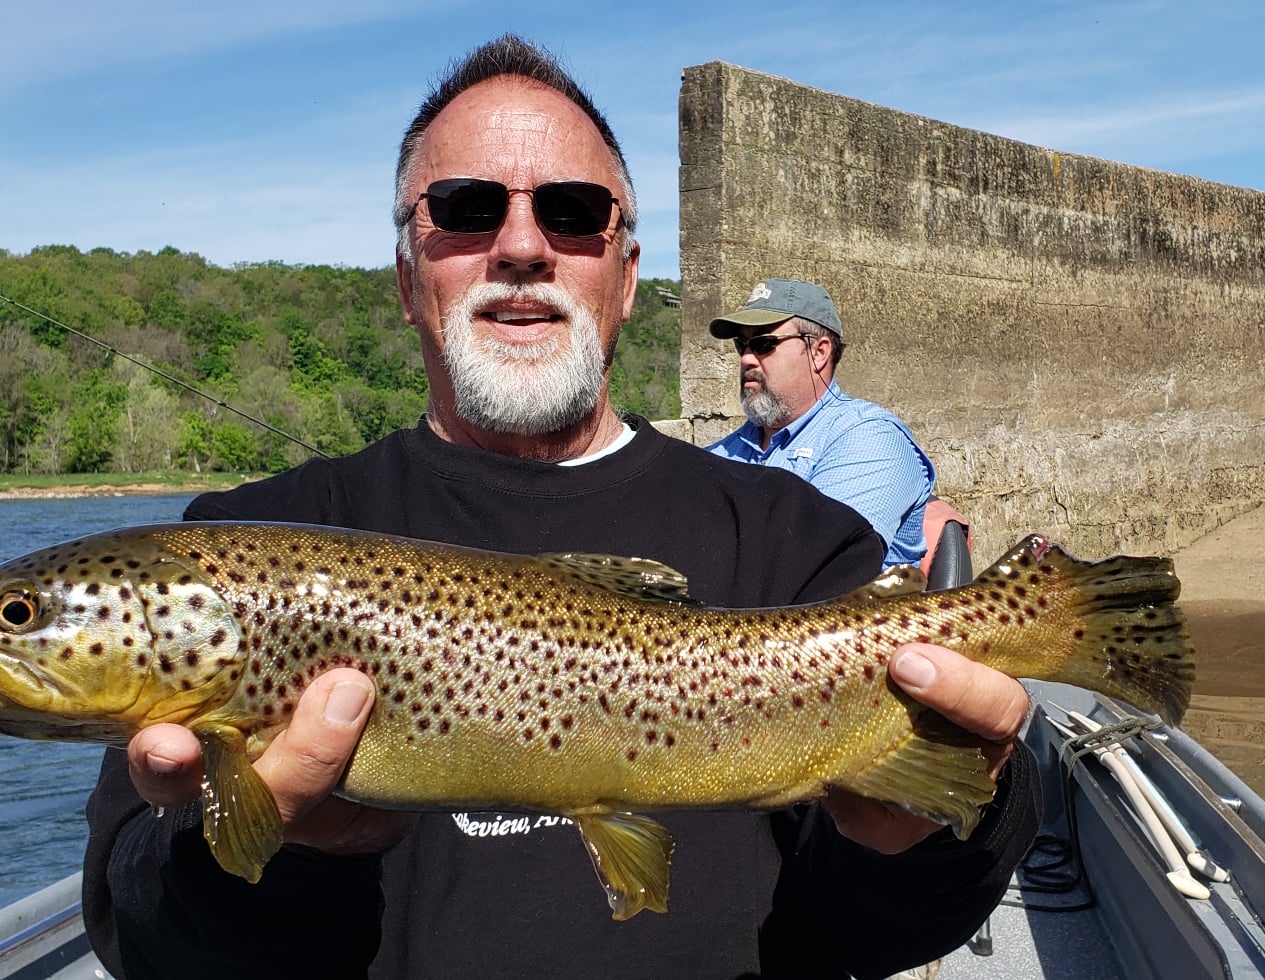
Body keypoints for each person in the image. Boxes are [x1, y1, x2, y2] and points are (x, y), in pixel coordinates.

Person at [82, 35, 1037, 979]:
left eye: (575, 213)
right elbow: (142, 941)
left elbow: (863, 932)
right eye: (464, 209)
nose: (523, 245)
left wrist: (950, 819)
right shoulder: (232, 548)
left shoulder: (796, 540)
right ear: (409, 277)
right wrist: (274, 858)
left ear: (625, 278)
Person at [707, 279, 938, 569]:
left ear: (819, 352)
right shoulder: (721, 454)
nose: (747, 359)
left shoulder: (870, 438)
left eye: (764, 343)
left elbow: (814, 566)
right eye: (742, 345)